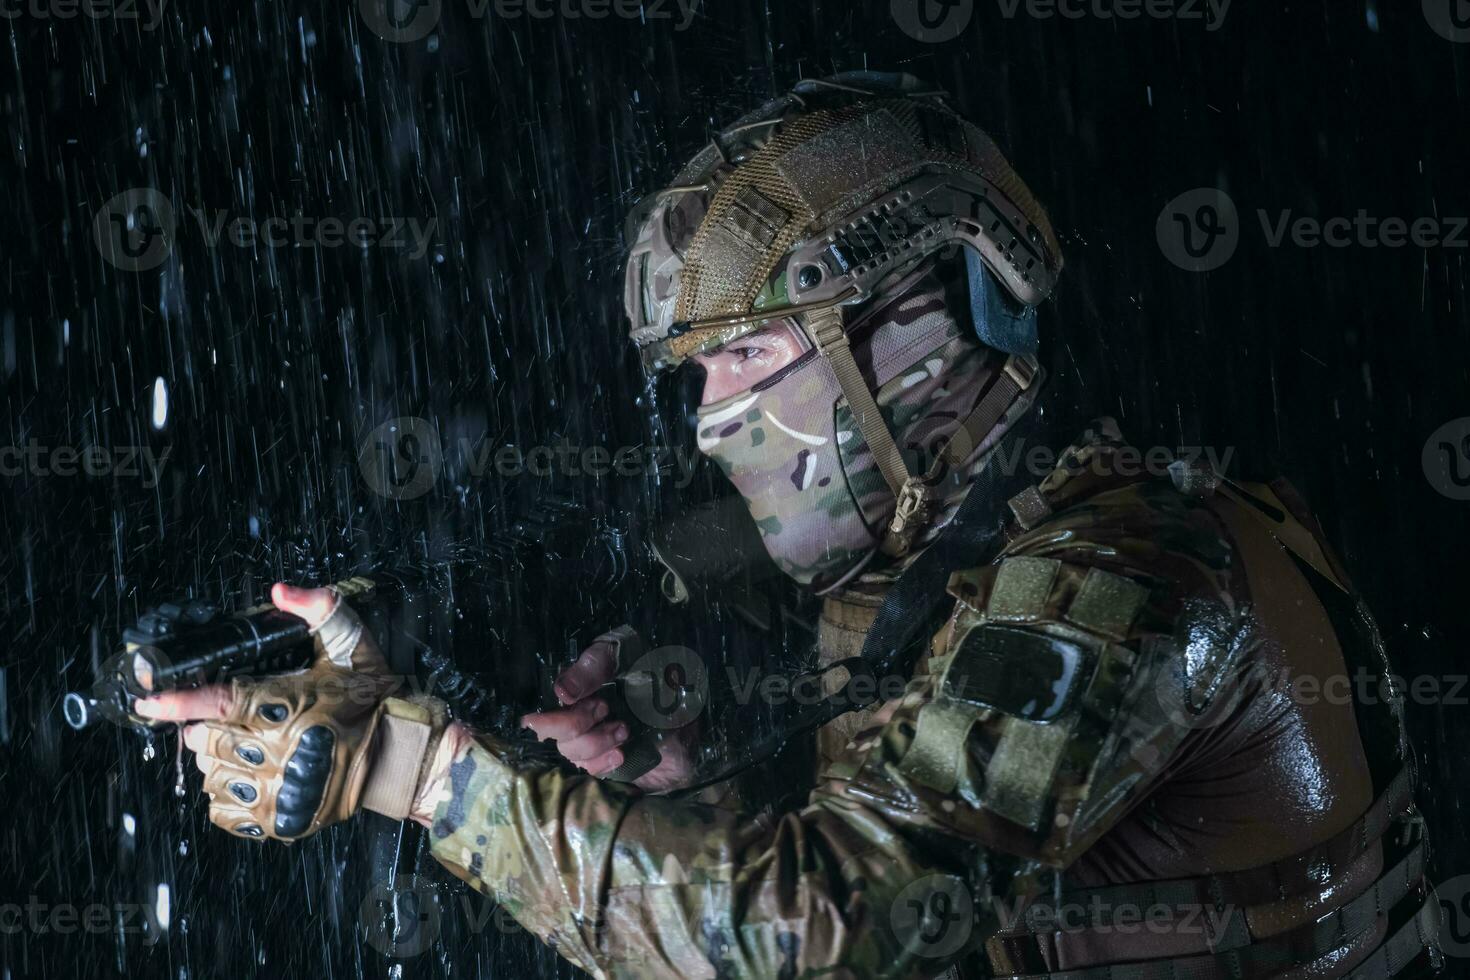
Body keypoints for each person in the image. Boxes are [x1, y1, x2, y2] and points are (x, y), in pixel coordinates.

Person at [137, 73, 1442, 978]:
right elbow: (881, 830)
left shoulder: (1131, 566)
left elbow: (835, 945)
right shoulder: (949, 551)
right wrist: (663, 765)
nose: (709, 420)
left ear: (910, 334)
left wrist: (424, 780)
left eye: (743, 355)